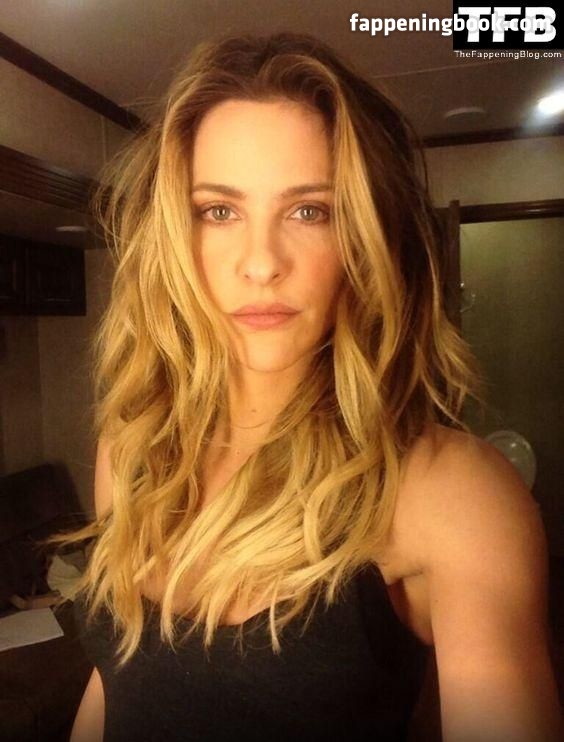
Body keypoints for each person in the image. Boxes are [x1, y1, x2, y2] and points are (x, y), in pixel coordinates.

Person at [49, 32, 562, 741]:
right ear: (174, 236)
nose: (261, 263)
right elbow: (117, 679)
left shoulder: (452, 494)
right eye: (218, 211)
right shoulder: (133, 448)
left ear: (367, 241)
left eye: (309, 210)